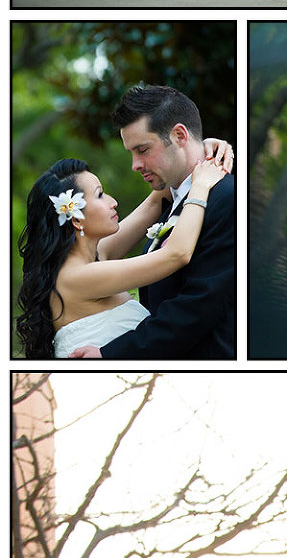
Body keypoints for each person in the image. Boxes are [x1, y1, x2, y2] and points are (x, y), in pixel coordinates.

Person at [57, 84, 236, 361]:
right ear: (75, 218)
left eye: (142, 150)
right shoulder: (175, 203)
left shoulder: (226, 198)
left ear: (179, 135)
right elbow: (174, 253)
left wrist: (205, 151)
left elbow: (199, 305)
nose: (135, 165)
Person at [16, 134, 232, 361]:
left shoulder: (95, 256)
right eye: (100, 195)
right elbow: (176, 254)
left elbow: (156, 200)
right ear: (77, 219)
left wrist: (196, 150)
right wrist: (201, 186)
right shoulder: (77, 277)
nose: (113, 202)